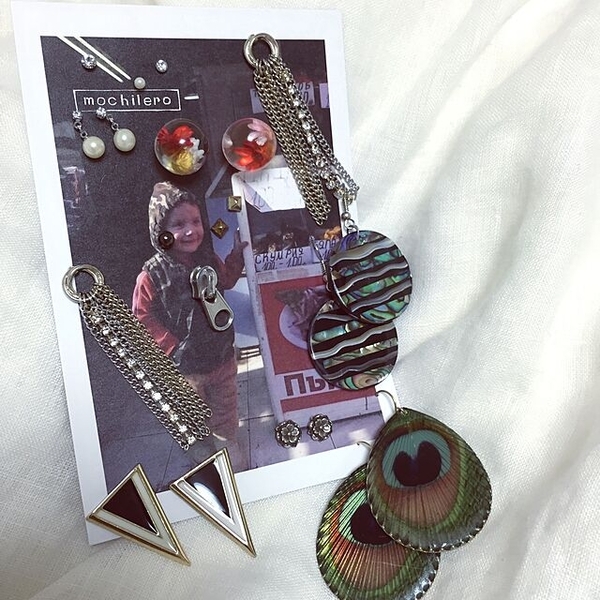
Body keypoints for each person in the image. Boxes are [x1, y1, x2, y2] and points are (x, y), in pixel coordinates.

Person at [132, 181, 248, 470]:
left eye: (195, 221)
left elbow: (226, 279)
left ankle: (227, 443)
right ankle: (201, 451)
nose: (190, 231)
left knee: (226, 409)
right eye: (179, 224)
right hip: (185, 370)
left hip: (221, 358)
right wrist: (172, 346)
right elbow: (141, 317)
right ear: (160, 232)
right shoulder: (151, 275)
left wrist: (236, 255)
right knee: (193, 415)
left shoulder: (208, 258)